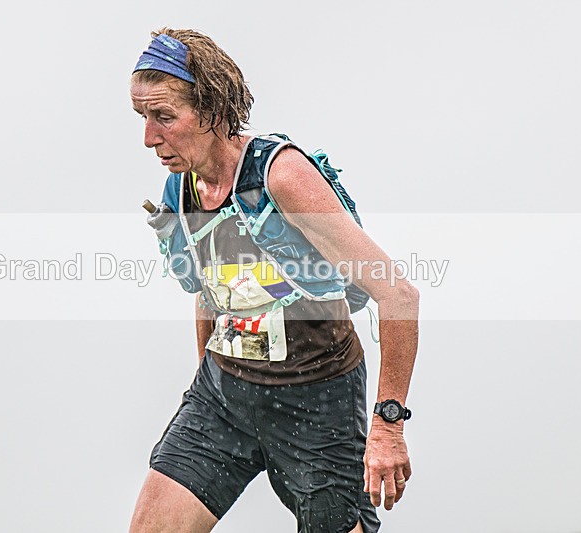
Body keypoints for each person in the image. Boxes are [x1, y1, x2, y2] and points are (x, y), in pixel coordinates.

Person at [129, 28, 419, 533]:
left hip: (317, 405)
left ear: (213, 111)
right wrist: (205, 385)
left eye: (164, 117)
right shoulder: (181, 187)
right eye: (143, 118)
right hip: (224, 399)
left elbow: (398, 295)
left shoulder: (280, 175)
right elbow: (207, 292)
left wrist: (388, 425)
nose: (149, 138)